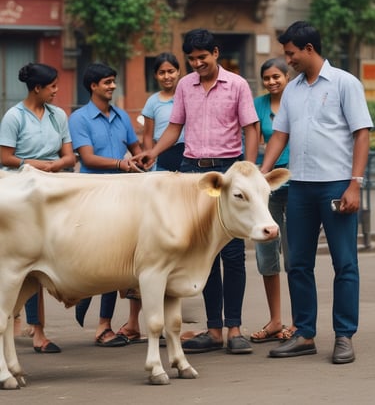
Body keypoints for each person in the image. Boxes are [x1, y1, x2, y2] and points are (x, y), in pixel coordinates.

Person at [133, 28, 259, 354]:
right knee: (205, 255)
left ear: (216, 53)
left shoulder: (238, 85)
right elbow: (174, 127)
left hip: (228, 173)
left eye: (202, 58)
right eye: (191, 59)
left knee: (232, 255)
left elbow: (251, 128)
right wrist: (154, 152)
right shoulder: (185, 86)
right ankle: (214, 331)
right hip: (193, 174)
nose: (196, 64)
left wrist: (248, 171)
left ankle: (235, 328)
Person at [260, 21, 373, 364]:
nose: (287, 59)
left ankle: (343, 336)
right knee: (297, 263)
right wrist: (261, 174)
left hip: (337, 185)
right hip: (300, 188)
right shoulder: (292, 90)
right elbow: (280, 135)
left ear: (308, 49)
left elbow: (362, 133)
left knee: (345, 263)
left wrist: (355, 183)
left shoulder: (344, 83)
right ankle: (305, 333)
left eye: (291, 53)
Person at [0, 62, 76, 353]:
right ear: (37, 88)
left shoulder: (58, 115)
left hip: (55, 186)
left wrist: (56, 165)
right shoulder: (14, 117)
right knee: (30, 261)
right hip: (22, 192)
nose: (57, 91)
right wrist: (35, 165)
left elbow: (68, 156)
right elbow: (6, 157)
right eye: (52, 86)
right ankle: (39, 332)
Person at [68, 62, 144, 347]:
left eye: (113, 81)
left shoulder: (122, 116)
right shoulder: (79, 119)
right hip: (92, 195)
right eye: (108, 82)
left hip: (123, 196)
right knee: (94, 259)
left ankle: (104, 327)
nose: (112, 86)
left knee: (117, 260)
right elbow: (87, 159)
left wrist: (145, 159)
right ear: (93, 86)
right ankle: (83, 295)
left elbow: (137, 152)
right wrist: (122, 164)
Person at [250, 58, 295, 343]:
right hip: (267, 188)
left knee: (296, 256)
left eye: (276, 76)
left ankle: (299, 322)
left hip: (299, 185)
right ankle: (275, 321)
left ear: (287, 77)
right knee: (267, 254)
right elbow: (253, 139)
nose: (272, 82)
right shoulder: (259, 105)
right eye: (266, 78)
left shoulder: (297, 99)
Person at [142, 52, 184, 171]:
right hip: (163, 156)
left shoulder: (187, 97)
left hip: (187, 157)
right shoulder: (152, 101)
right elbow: (147, 135)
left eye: (171, 71)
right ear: (155, 75)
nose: (166, 77)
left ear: (178, 71)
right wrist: (149, 157)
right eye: (162, 72)